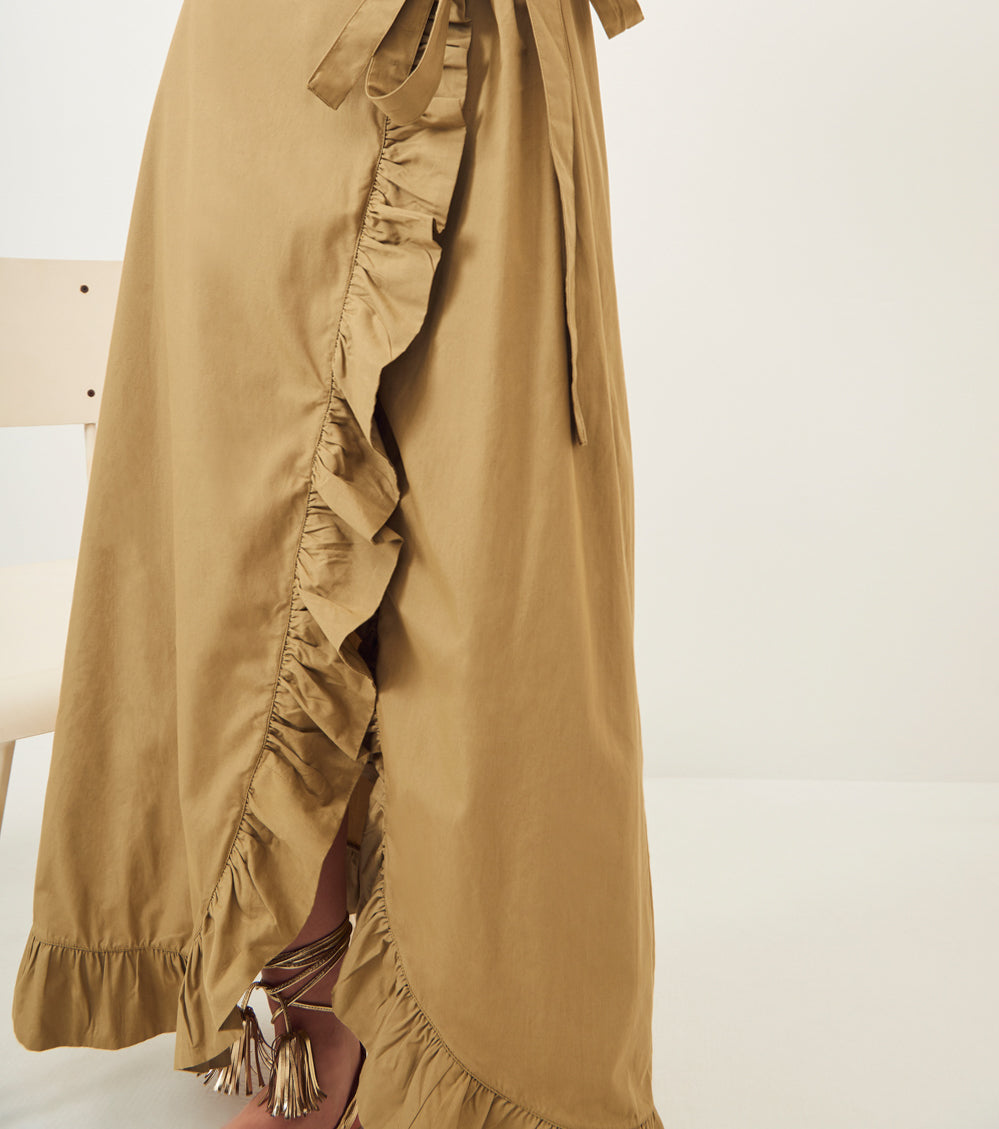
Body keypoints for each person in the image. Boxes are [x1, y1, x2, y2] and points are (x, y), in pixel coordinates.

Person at [11, 0, 664, 1126]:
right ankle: (304, 991)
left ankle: (474, 1054)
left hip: (501, 71)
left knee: (495, 574)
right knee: (253, 558)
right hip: (273, 62)